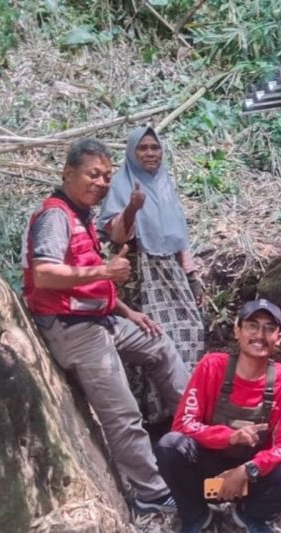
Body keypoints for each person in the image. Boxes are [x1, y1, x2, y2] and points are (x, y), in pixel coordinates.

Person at [21, 138, 190, 513]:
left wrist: (127, 312)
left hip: (102, 317)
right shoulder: (54, 216)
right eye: (92, 174)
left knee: (160, 345)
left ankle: (193, 436)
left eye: (106, 176)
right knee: (122, 411)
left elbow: (109, 251)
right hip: (73, 329)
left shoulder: (82, 216)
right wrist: (106, 270)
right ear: (68, 173)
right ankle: (152, 494)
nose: (100, 182)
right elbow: (45, 274)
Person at [155, 299, 281, 533]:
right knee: (170, 445)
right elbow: (183, 424)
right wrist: (229, 437)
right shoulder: (212, 366)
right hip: (208, 470)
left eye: (269, 328)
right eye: (252, 326)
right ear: (237, 330)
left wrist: (247, 470)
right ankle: (196, 516)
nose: (259, 335)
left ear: (279, 337)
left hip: (253, 474)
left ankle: (248, 514)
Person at [99, 126, 204, 424]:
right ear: (132, 153)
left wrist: (192, 277)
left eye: (154, 147)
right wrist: (132, 208)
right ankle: (151, 415)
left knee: (191, 330)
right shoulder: (123, 185)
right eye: (142, 148)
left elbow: (179, 235)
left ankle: (184, 407)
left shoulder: (164, 183)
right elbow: (118, 236)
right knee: (150, 337)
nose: (149, 153)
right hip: (138, 273)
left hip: (172, 272)